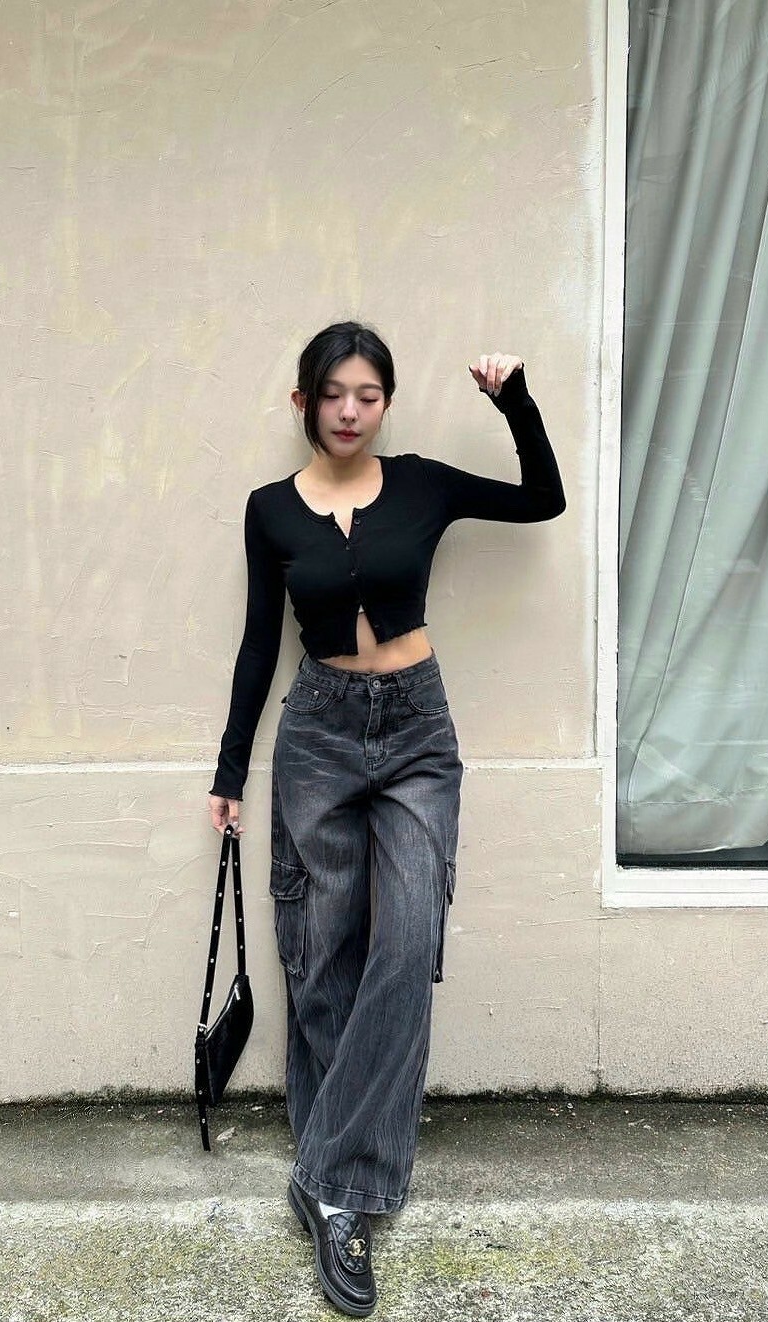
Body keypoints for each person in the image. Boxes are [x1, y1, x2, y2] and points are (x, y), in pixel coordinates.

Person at [207, 321, 565, 1316]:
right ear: (303, 402)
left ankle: (328, 1175)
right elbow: (257, 642)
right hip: (318, 732)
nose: (350, 411)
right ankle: (343, 1193)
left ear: (386, 403)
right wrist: (230, 768)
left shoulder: (421, 485)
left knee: (404, 942)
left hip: (415, 732)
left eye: (367, 394)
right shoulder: (270, 509)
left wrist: (515, 404)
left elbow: (541, 498)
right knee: (322, 952)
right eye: (333, 394)